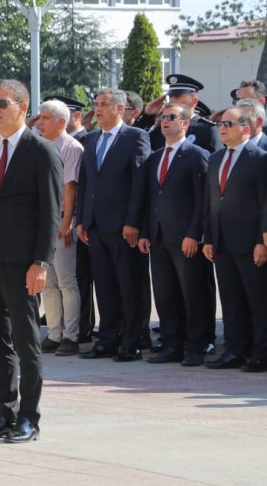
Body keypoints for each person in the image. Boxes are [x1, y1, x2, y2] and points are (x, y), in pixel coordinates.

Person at [0, 80, 62, 444]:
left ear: (23, 105)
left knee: (25, 341)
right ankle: (6, 412)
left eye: (2, 102)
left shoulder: (42, 151)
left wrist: (41, 262)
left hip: (22, 263)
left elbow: (52, 213)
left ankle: (29, 418)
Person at [77, 88, 151, 361]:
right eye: (96, 104)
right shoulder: (92, 138)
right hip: (95, 226)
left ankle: (131, 343)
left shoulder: (135, 137)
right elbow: (86, 181)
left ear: (120, 109)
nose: (97, 109)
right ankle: (107, 339)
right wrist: (82, 220)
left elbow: (139, 184)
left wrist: (133, 222)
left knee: (129, 286)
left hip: (123, 227)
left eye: (104, 104)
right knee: (105, 286)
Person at [138, 103, 211, 366]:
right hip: (158, 237)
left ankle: (196, 346)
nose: (164, 121)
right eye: (162, 117)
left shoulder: (197, 155)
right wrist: (145, 232)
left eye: (171, 117)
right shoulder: (155, 157)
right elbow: (150, 199)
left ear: (185, 123)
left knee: (192, 293)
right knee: (165, 293)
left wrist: (194, 234)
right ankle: (172, 344)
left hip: (185, 238)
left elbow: (203, 201)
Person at [202, 106, 267, 372]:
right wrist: (208, 237)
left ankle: (260, 352)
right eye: (221, 124)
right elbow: (210, 202)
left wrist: (262, 241)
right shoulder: (216, 158)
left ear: (246, 128)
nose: (222, 128)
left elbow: (265, 204)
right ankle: (234, 350)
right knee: (230, 300)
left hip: (250, 243)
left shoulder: (260, 158)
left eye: (229, 123)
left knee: (257, 300)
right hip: (221, 241)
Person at [35, 99, 83, 357]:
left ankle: (71, 336)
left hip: (61, 221)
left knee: (66, 282)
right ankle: (54, 333)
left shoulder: (71, 147)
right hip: (42, 221)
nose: (39, 122)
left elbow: (71, 186)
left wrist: (66, 223)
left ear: (61, 122)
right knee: (48, 283)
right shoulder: (40, 145)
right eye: (39, 118)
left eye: (45, 118)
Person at [140, 74, 222, 154]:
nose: (172, 100)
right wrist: (147, 116)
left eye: (177, 96)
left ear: (194, 101)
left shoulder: (207, 129)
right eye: (170, 96)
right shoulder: (162, 127)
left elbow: (215, 162)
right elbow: (136, 141)